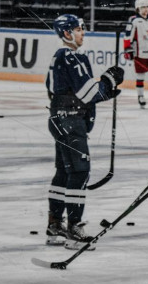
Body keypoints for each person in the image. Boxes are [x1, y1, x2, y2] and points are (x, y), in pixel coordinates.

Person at [45, 14, 124, 249]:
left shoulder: (62, 56)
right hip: (70, 120)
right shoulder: (70, 57)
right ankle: (74, 229)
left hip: (61, 118)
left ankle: (55, 225)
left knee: (64, 172)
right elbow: (89, 94)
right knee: (79, 172)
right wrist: (109, 81)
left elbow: (78, 91)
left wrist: (106, 88)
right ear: (66, 33)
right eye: (79, 29)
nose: (83, 33)